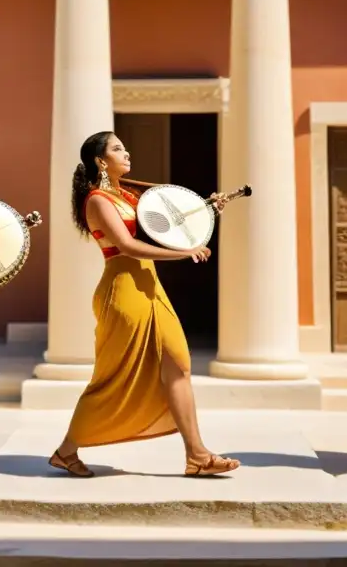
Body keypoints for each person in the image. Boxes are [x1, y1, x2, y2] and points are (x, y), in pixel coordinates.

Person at [48, 131, 240, 478]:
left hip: (149, 285)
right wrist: (183, 254)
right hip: (123, 290)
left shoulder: (128, 196)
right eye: (118, 148)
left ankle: (197, 455)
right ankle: (66, 450)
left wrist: (207, 210)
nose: (127, 152)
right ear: (100, 161)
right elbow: (127, 246)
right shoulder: (97, 201)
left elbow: (166, 226)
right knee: (114, 376)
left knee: (179, 364)